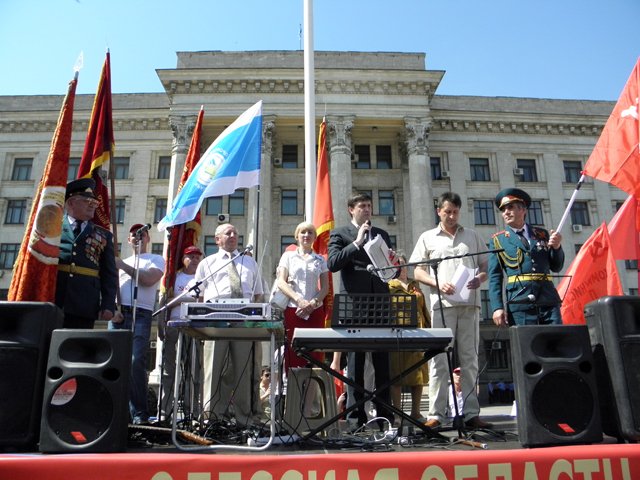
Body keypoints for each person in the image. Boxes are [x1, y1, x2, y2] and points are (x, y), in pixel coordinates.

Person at [410, 191, 491, 430]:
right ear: (439, 211)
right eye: (447, 211)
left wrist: (480, 278)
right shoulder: (427, 237)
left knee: (469, 359)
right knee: (438, 361)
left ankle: (471, 413)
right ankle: (436, 414)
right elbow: (417, 271)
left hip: (469, 305)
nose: (452, 216)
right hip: (441, 306)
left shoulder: (472, 236)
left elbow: (485, 265)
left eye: (455, 212)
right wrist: (437, 283)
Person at [328, 192, 396, 427]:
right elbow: (333, 263)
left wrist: (393, 263)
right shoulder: (340, 233)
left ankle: (385, 416)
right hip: (354, 305)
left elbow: (390, 271)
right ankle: (355, 417)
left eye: (369, 205)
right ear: (351, 210)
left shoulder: (382, 234)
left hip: (380, 305)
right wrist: (356, 242)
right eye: (362, 206)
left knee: (382, 364)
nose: (367, 210)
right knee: (355, 364)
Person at [194, 223, 265, 426]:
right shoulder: (207, 263)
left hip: (244, 323)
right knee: (213, 370)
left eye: (236, 232)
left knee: (244, 371)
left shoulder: (249, 262)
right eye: (228, 233)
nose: (233, 236)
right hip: (215, 322)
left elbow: (258, 293)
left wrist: (253, 317)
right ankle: (212, 417)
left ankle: (244, 418)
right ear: (217, 239)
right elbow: (198, 295)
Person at [110, 222, 165, 425]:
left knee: (135, 362)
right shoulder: (121, 261)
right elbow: (109, 287)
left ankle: (139, 413)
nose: (138, 237)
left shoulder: (155, 259)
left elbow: (149, 280)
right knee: (115, 362)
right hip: (119, 314)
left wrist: (123, 267)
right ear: (129, 240)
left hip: (140, 313)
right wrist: (112, 310)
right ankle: (116, 412)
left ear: (148, 238)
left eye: (142, 234)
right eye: (134, 235)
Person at [488, 188, 564, 326]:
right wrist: (497, 307)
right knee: (526, 345)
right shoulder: (498, 240)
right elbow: (495, 277)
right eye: (503, 210)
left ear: (523, 210)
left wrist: (557, 247)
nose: (506, 212)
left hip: (548, 299)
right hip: (520, 302)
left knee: (555, 342)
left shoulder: (542, 234)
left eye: (510, 208)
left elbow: (556, 267)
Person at [55, 178, 118, 329]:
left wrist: (108, 304)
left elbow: (109, 273)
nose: (92, 206)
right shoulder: (52, 228)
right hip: (54, 298)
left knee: (78, 347)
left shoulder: (103, 235)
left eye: (94, 203)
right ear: (70, 203)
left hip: (85, 302)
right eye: (87, 202)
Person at [276, 221, 329, 374]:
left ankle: (312, 397)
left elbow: (325, 287)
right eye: (303, 232)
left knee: (315, 356)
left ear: (314, 237)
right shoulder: (288, 256)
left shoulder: (320, 259)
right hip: (294, 310)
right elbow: (281, 281)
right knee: (293, 353)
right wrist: (299, 300)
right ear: (297, 236)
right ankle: (294, 396)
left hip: (315, 312)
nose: (306, 235)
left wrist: (312, 303)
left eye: (310, 232)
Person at [158, 245, 203, 423]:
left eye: (198, 257)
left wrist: (176, 300)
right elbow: (164, 301)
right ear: (183, 259)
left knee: (194, 372)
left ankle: (193, 411)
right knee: (169, 371)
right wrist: (161, 323)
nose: (195, 260)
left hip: (195, 328)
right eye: (190, 256)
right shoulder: (173, 278)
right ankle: (165, 410)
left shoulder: (203, 277)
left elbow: (201, 300)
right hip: (173, 326)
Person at [387, 252, 431, 422]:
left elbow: (423, 307)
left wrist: (429, 328)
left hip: (418, 333)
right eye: (396, 264)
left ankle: (416, 412)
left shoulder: (415, 284)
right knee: (396, 374)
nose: (401, 267)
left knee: (418, 374)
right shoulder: (388, 285)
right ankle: (397, 413)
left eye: (402, 263)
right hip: (397, 334)